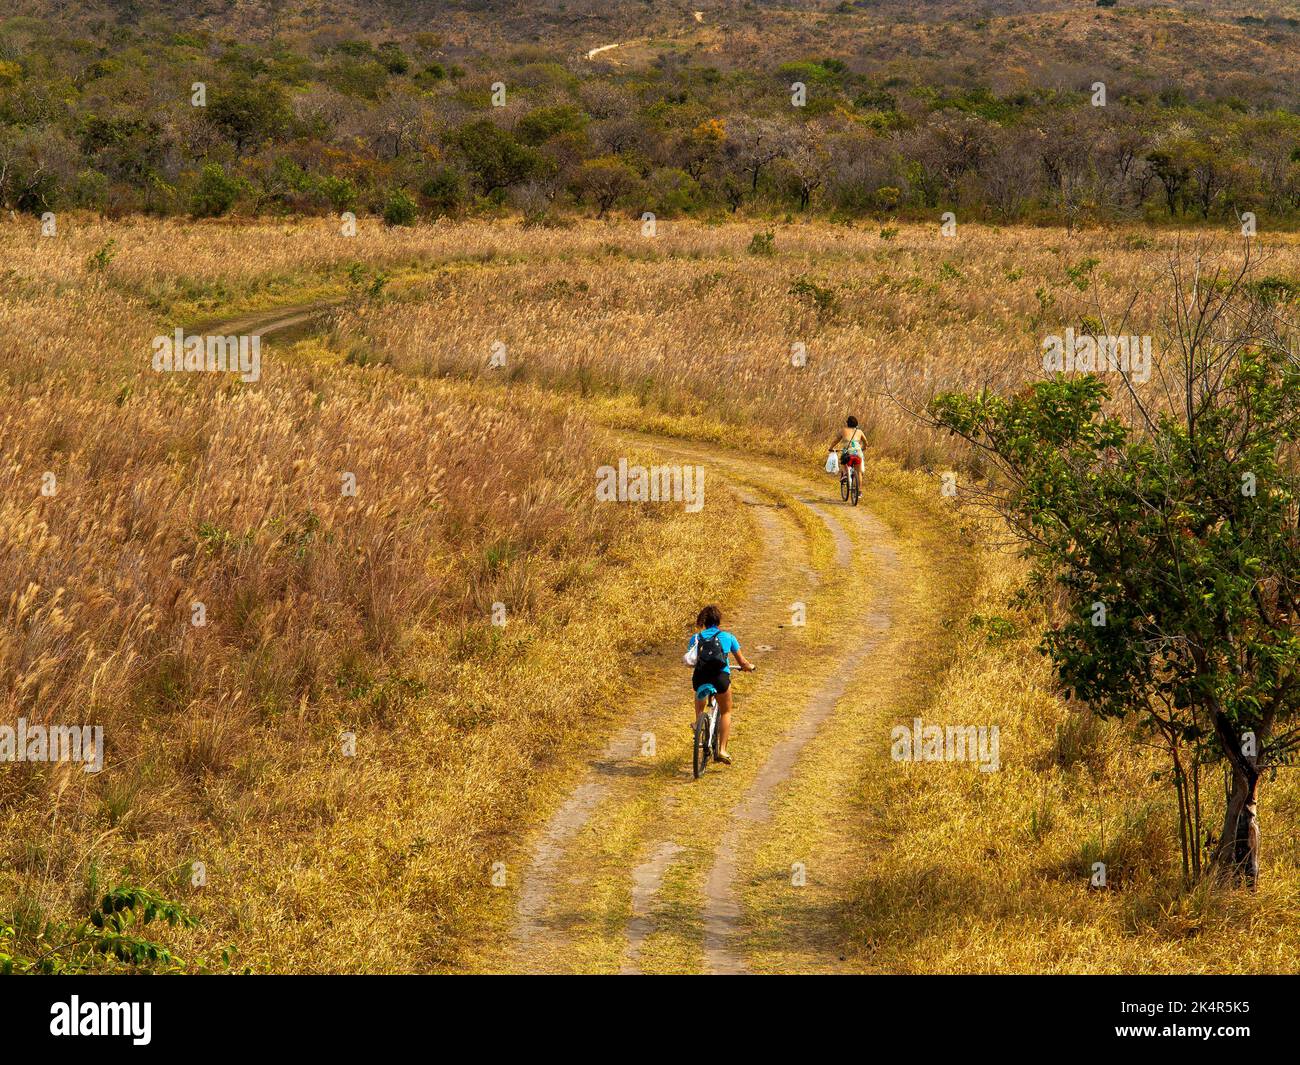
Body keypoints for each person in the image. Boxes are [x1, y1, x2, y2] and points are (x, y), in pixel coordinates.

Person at [687, 604, 755, 765]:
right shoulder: (728, 637)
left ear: (703, 620)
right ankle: (722, 750)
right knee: (726, 711)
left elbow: (691, 660)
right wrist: (748, 667)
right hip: (720, 678)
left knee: (699, 690)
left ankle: (698, 722)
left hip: (700, 676)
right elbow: (742, 662)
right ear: (718, 620)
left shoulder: (695, 638)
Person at [828, 415, 866, 488]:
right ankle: (860, 492)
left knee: (843, 460)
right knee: (859, 473)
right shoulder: (859, 431)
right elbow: (866, 442)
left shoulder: (843, 430)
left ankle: (845, 474)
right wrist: (863, 448)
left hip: (848, 453)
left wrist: (831, 448)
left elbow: (836, 440)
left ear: (847, 423)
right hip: (858, 453)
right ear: (856, 424)